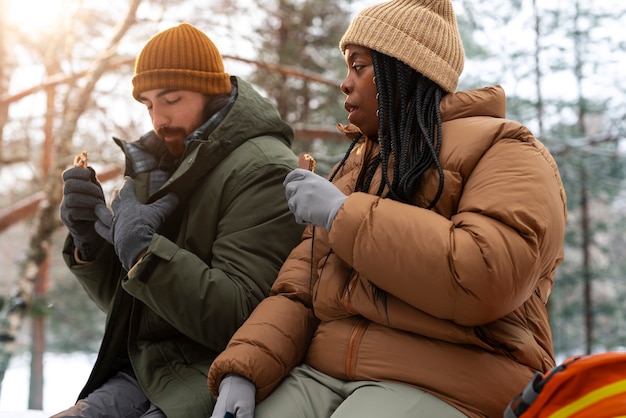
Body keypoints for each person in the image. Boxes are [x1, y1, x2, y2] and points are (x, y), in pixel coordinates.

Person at [207, 0, 568, 417]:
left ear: (405, 69)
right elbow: (299, 290)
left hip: (451, 380)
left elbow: (485, 276)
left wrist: (343, 216)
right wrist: (246, 368)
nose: (344, 83)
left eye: (359, 66)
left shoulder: (508, 149)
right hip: (323, 373)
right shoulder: (358, 164)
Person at [54, 22, 304, 418]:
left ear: (212, 92)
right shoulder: (161, 165)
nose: (158, 119)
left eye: (171, 99)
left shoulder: (262, 168)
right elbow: (140, 310)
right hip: (150, 372)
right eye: (149, 104)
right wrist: (92, 244)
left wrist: (143, 254)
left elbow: (244, 317)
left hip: (215, 377)